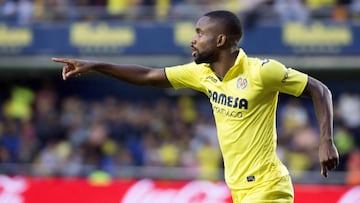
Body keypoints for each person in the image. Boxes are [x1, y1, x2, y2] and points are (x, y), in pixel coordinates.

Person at [52, 10, 339, 203]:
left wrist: (325, 141)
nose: (193, 38)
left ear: (220, 40)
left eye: (200, 33)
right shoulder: (201, 73)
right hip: (239, 189)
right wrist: (97, 65)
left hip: (268, 188)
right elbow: (149, 76)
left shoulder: (262, 72)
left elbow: (320, 89)